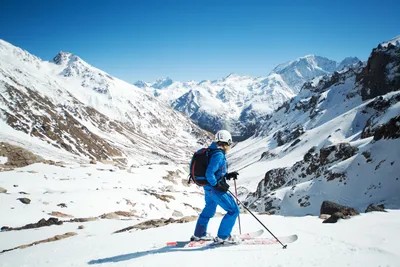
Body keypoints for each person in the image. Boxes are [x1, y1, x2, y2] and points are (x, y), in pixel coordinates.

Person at [191, 129, 240, 244]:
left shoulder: (211, 151)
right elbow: (209, 174)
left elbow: (215, 171)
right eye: (229, 143)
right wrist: (217, 185)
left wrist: (227, 175)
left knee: (209, 209)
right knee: (233, 210)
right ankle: (223, 237)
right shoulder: (218, 155)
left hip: (208, 188)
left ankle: (199, 234)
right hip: (213, 188)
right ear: (226, 143)